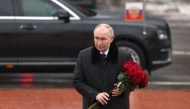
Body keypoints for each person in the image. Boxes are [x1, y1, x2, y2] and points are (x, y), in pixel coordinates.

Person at [73, 23, 133, 109]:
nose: (99, 43)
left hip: (118, 106)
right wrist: (95, 95)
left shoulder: (125, 56)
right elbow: (77, 81)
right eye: (96, 38)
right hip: (93, 105)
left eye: (103, 39)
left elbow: (134, 79)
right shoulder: (83, 56)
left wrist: (124, 88)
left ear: (112, 38)